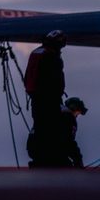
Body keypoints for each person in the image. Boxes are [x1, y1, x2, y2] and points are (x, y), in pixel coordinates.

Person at [24, 30, 67, 167]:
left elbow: (28, 76)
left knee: (39, 128)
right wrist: (56, 95)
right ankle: (50, 160)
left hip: (36, 99)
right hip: (48, 100)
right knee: (51, 129)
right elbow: (55, 80)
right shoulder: (52, 57)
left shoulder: (37, 53)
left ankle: (40, 159)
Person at [61, 97, 88, 168]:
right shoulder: (68, 117)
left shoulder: (58, 112)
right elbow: (68, 141)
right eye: (78, 113)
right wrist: (78, 159)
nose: (77, 116)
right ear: (74, 109)